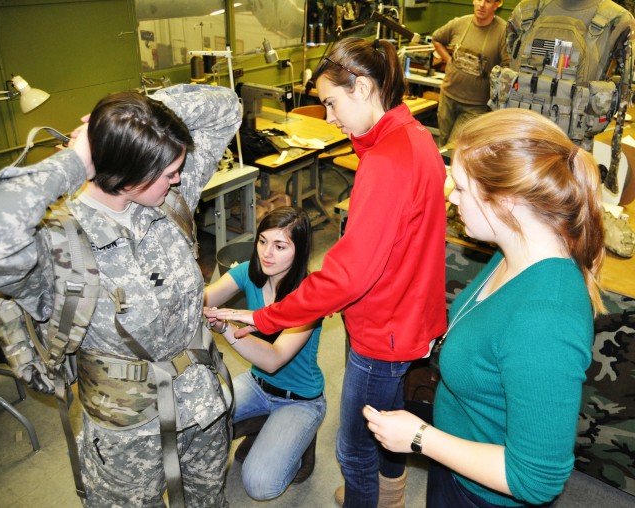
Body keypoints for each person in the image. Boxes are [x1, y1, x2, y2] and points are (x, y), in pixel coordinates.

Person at [207, 37, 447, 507]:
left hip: (384, 329)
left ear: (361, 87)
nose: (331, 116)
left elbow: (347, 274)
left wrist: (264, 318)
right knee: (388, 416)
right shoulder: (414, 137)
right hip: (410, 311)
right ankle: (392, 496)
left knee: (354, 448)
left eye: (331, 102)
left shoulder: (386, 162)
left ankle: (371, 499)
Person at [0, 85, 241, 507]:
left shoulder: (169, 200)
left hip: (203, 407)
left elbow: (226, 108)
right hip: (127, 433)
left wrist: (136, 121)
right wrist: (76, 160)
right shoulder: (52, 243)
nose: (180, 178)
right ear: (129, 176)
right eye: (168, 173)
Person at [364, 108, 606, 508]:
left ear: (507, 202)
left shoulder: (545, 321)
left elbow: (536, 480)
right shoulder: (513, 253)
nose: (450, 195)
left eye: (460, 187)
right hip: (457, 460)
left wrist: (421, 438)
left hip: (483, 495)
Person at [204, 206, 326, 501]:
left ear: (300, 250)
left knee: (260, 486)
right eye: (262, 241)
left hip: (299, 400)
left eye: (280, 246)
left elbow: (273, 359)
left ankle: (300, 445)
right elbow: (204, 299)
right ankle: (262, 425)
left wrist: (226, 330)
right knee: (198, 422)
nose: (266, 253)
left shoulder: (309, 295)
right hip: (257, 385)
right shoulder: (248, 272)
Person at [432, 0, 509, 148]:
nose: (481, 5)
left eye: (487, 1)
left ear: (497, 4)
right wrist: (448, 60)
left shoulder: (502, 32)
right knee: (443, 144)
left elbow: (507, 66)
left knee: (456, 148)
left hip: (476, 106)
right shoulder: (459, 23)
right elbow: (437, 39)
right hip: (448, 96)